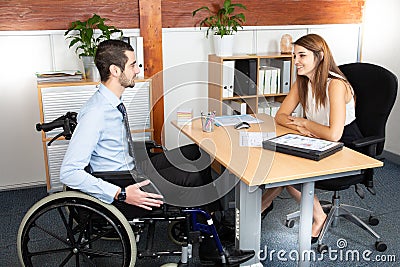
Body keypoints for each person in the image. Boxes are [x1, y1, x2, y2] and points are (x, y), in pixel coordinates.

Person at [60, 39, 254, 264]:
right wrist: (121, 194)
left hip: (130, 168)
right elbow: (69, 172)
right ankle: (211, 246)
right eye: (133, 65)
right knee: (192, 175)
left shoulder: (110, 103)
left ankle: (214, 225)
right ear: (115, 70)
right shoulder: (95, 113)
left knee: (195, 152)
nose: (137, 70)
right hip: (123, 183)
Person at [261, 34, 363, 243]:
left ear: (320, 57)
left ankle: (316, 216)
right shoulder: (303, 83)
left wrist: (304, 123)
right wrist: (302, 126)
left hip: (348, 146)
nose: (296, 61)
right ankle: (262, 206)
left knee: (289, 173)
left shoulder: (335, 85)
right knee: (282, 165)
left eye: (302, 55)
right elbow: (280, 116)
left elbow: (335, 134)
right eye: (294, 55)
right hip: (318, 139)